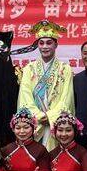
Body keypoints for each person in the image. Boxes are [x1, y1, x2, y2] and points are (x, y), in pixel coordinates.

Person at [18, 19, 75, 150]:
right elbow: (25, 97)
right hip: (35, 123)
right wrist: (38, 116)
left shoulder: (65, 69)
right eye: (41, 43)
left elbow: (67, 98)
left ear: (56, 45)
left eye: (49, 43)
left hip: (55, 122)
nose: (45, 47)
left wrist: (50, 116)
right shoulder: (29, 68)